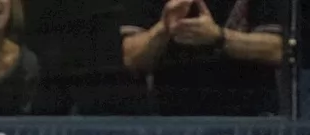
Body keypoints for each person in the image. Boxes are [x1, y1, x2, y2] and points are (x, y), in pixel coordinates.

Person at [121, 0, 287, 116]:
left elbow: (279, 50)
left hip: (253, 118)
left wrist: (219, 37)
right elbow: (132, 57)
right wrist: (164, 28)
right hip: (170, 118)